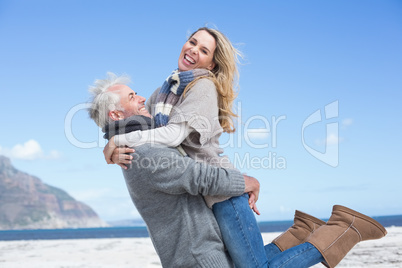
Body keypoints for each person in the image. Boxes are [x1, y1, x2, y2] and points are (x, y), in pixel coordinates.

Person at [95, 72, 387, 268]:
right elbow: (198, 177)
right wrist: (245, 181)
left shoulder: (139, 143)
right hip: (197, 256)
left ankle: (320, 231)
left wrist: (112, 143)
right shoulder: (142, 152)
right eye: (133, 96)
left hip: (201, 252)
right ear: (116, 114)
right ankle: (331, 231)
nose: (142, 98)